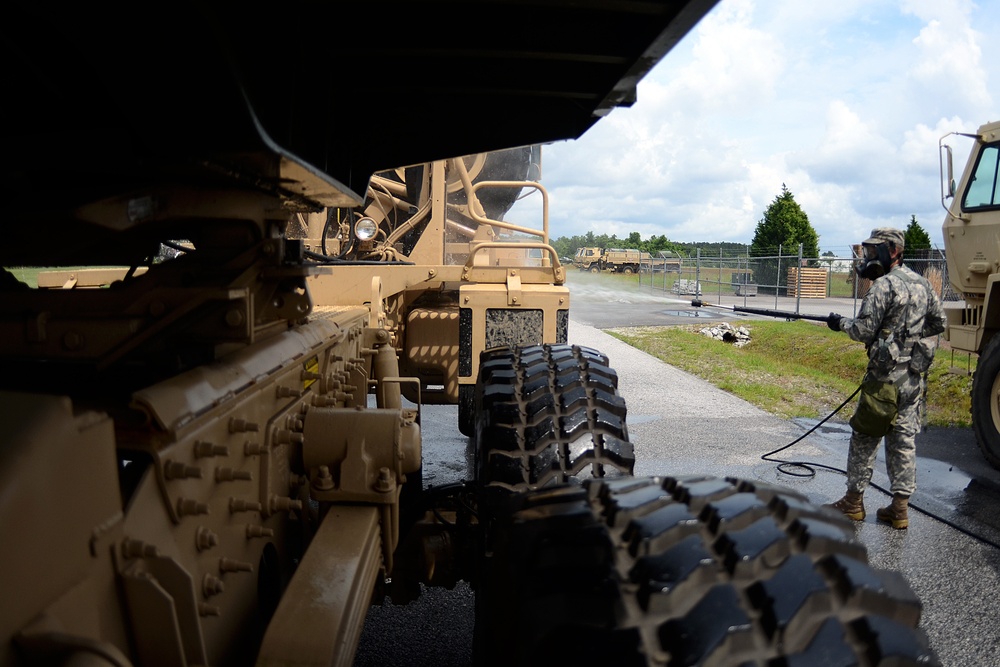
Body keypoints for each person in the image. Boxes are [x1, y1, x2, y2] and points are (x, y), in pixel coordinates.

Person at [824, 227, 947, 529]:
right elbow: (939, 321)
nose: (869, 256)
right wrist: (910, 342)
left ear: (893, 252)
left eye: (874, 250)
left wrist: (839, 323)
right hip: (913, 380)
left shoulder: (883, 287)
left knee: (865, 436)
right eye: (867, 250)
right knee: (903, 440)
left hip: (883, 381)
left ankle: (853, 504)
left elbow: (863, 330)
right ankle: (899, 509)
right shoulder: (922, 284)